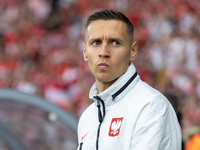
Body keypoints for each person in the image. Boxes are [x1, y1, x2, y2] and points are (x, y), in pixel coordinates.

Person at [77, 9, 181, 150]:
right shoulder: (88, 117)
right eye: (96, 43)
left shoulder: (150, 106)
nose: (103, 52)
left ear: (132, 51)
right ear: (85, 52)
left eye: (115, 43)